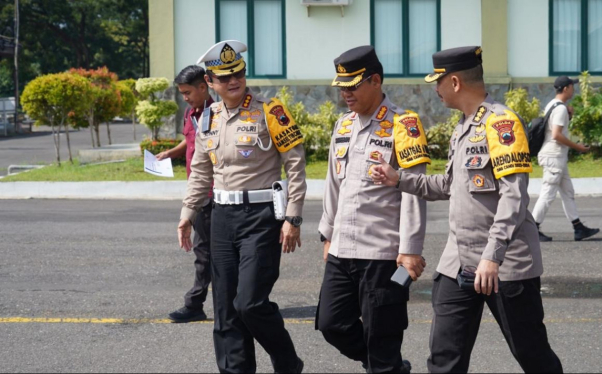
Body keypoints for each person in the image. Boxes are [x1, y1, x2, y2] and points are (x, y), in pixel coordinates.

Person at [370, 46, 563, 373]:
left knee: (532, 353)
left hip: (505, 264)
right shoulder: (462, 128)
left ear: (455, 82)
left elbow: (514, 196)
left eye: (438, 82)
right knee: (444, 356)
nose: (435, 89)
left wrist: (493, 255)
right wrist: (397, 179)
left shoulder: (501, 123)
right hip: (457, 260)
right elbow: (448, 186)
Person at [177, 40, 306, 374]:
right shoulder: (207, 117)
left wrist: (293, 217)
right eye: (224, 77)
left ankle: (287, 361)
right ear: (210, 82)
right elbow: (201, 170)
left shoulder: (271, 110)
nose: (233, 81)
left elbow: (295, 166)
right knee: (225, 308)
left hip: (262, 218)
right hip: (221, 217)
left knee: (249, 303)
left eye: (238, 73)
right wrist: (187, 213)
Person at [316, 45, 428, 374]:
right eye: (342, 87)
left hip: (383, 253)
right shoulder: (343, 125)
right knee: (331, 323)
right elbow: (333, 184)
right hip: (342, 249)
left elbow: (414, 191)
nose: (346, 93)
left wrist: (410, 250)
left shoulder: (403, 125)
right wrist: (328, 234)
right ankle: (388, 366)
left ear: (375, 80)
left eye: (352, 86)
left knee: (383, 335)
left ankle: (385, 364)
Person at [155, 65, 215, 323]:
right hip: (197, 192)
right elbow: (189, 142)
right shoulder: (192, 113)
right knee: (209, 253)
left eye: (188, 92)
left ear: (204, 86)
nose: (185, 98)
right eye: (182, 93)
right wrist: (171, 153)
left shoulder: (215, 116)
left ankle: (195, 304)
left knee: (205, 252)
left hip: (211, 195)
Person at [532, 76, 600, 242]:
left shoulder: (553, 105)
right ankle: (532, 228)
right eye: (572, 86)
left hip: (557, 157)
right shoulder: (560, 108)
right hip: (553, 157)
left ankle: (578, 228)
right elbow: (556, 135)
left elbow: (552, 130)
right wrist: (578, 147)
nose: (573, 89)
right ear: (566, 88)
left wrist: (569, 116)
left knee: (568, 192)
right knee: (547, 194)